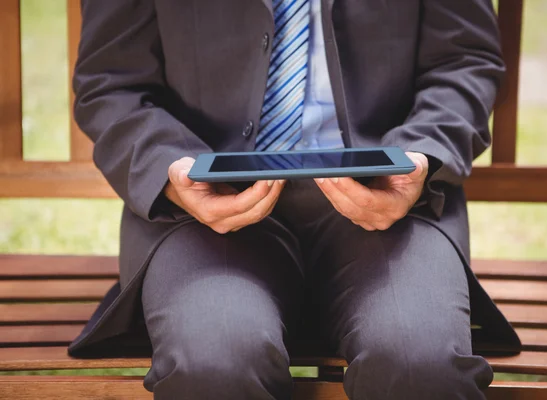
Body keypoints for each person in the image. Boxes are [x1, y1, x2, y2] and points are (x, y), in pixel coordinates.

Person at [68, 0, 521, 399]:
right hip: (203, 210)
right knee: (214, 363)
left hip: (387, 203)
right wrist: (170, 170)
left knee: (419, 362)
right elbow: (111, 81)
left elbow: (465, 60)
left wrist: (418, 155)